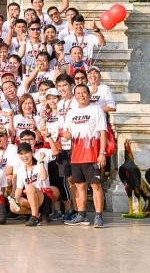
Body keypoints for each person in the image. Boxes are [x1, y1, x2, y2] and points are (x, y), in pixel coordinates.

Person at [63, 84, 108, 228]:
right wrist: (66, 134)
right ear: (74, 96)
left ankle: (99, 216)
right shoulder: (71, 112)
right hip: (76, 155)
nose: (81, 95)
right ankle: (81, 215)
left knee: (95, 185)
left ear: (89, 94)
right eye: (78, 93)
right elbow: (66, 132)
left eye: (84, 92)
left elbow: (103, 133)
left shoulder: (96, 110)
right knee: (79, 186)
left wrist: (102, 153)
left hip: (92, 154)